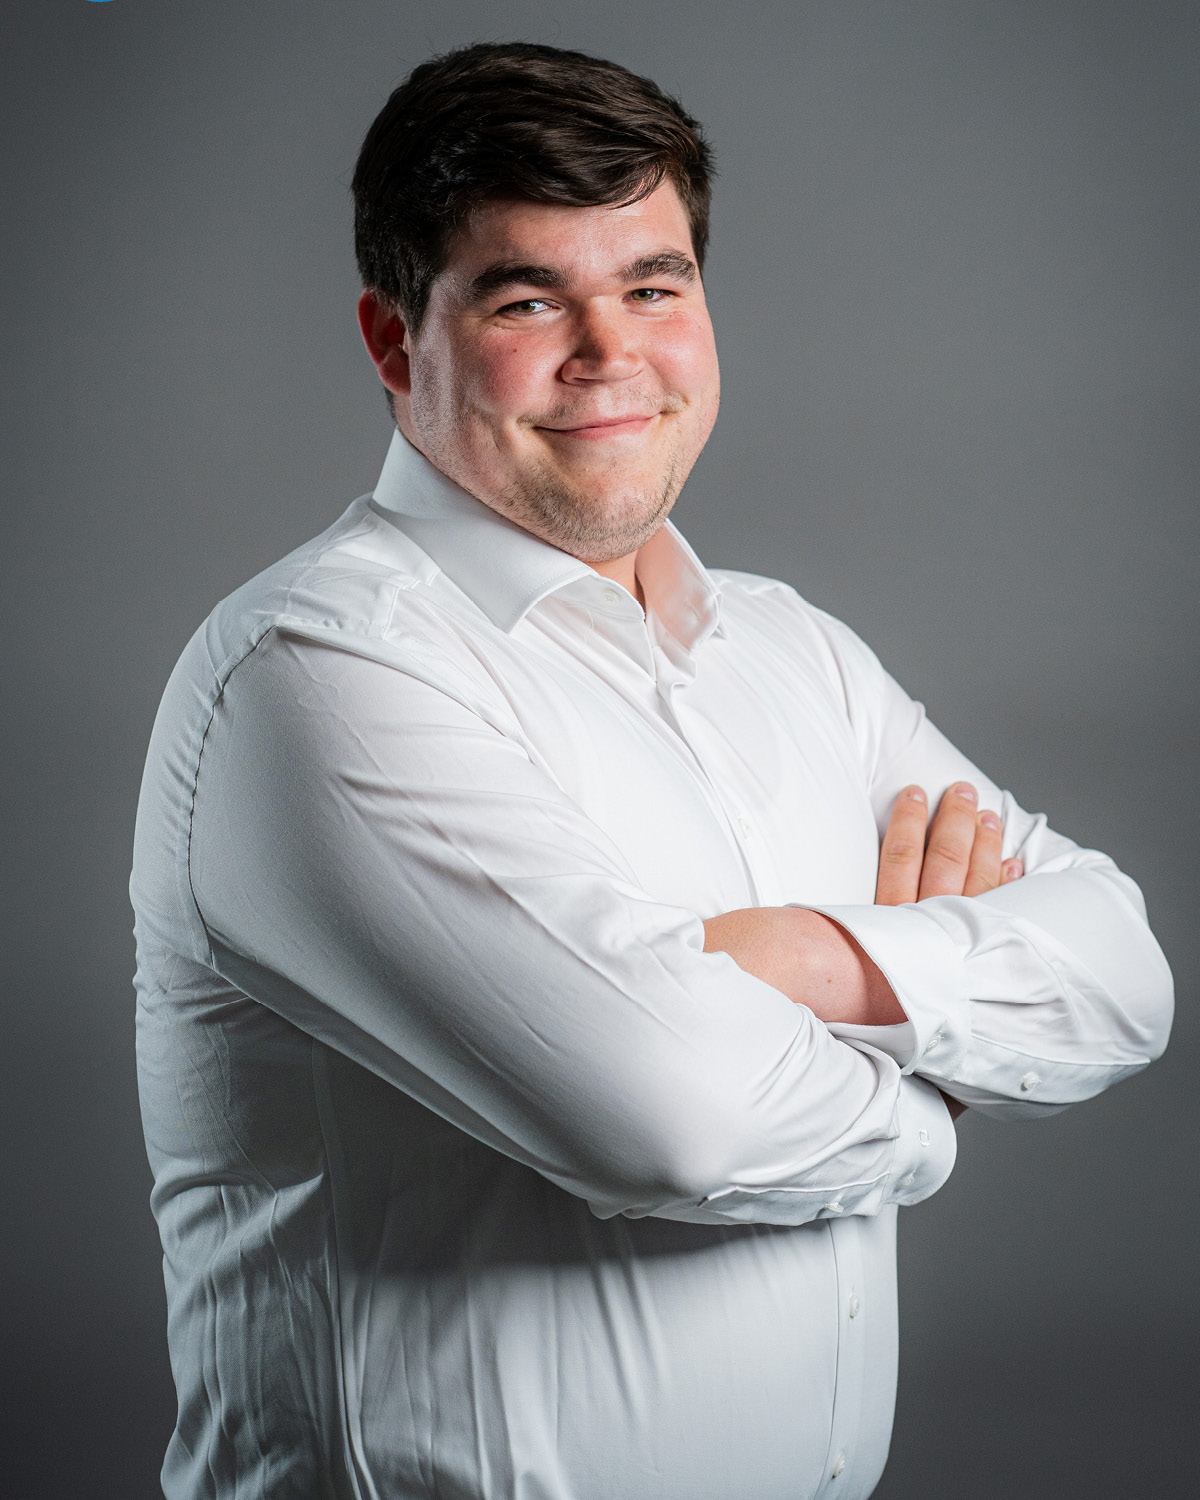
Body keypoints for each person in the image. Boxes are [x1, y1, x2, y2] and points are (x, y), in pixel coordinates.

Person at [130, 41, 1173, 1500]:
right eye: (526, 300)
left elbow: (1123, 974)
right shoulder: (315, 675)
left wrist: (798, 961)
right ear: (395, 342)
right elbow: (675, 1123)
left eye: (653, 287)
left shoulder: (790, 649)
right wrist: (933, 1094)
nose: (608, 353)